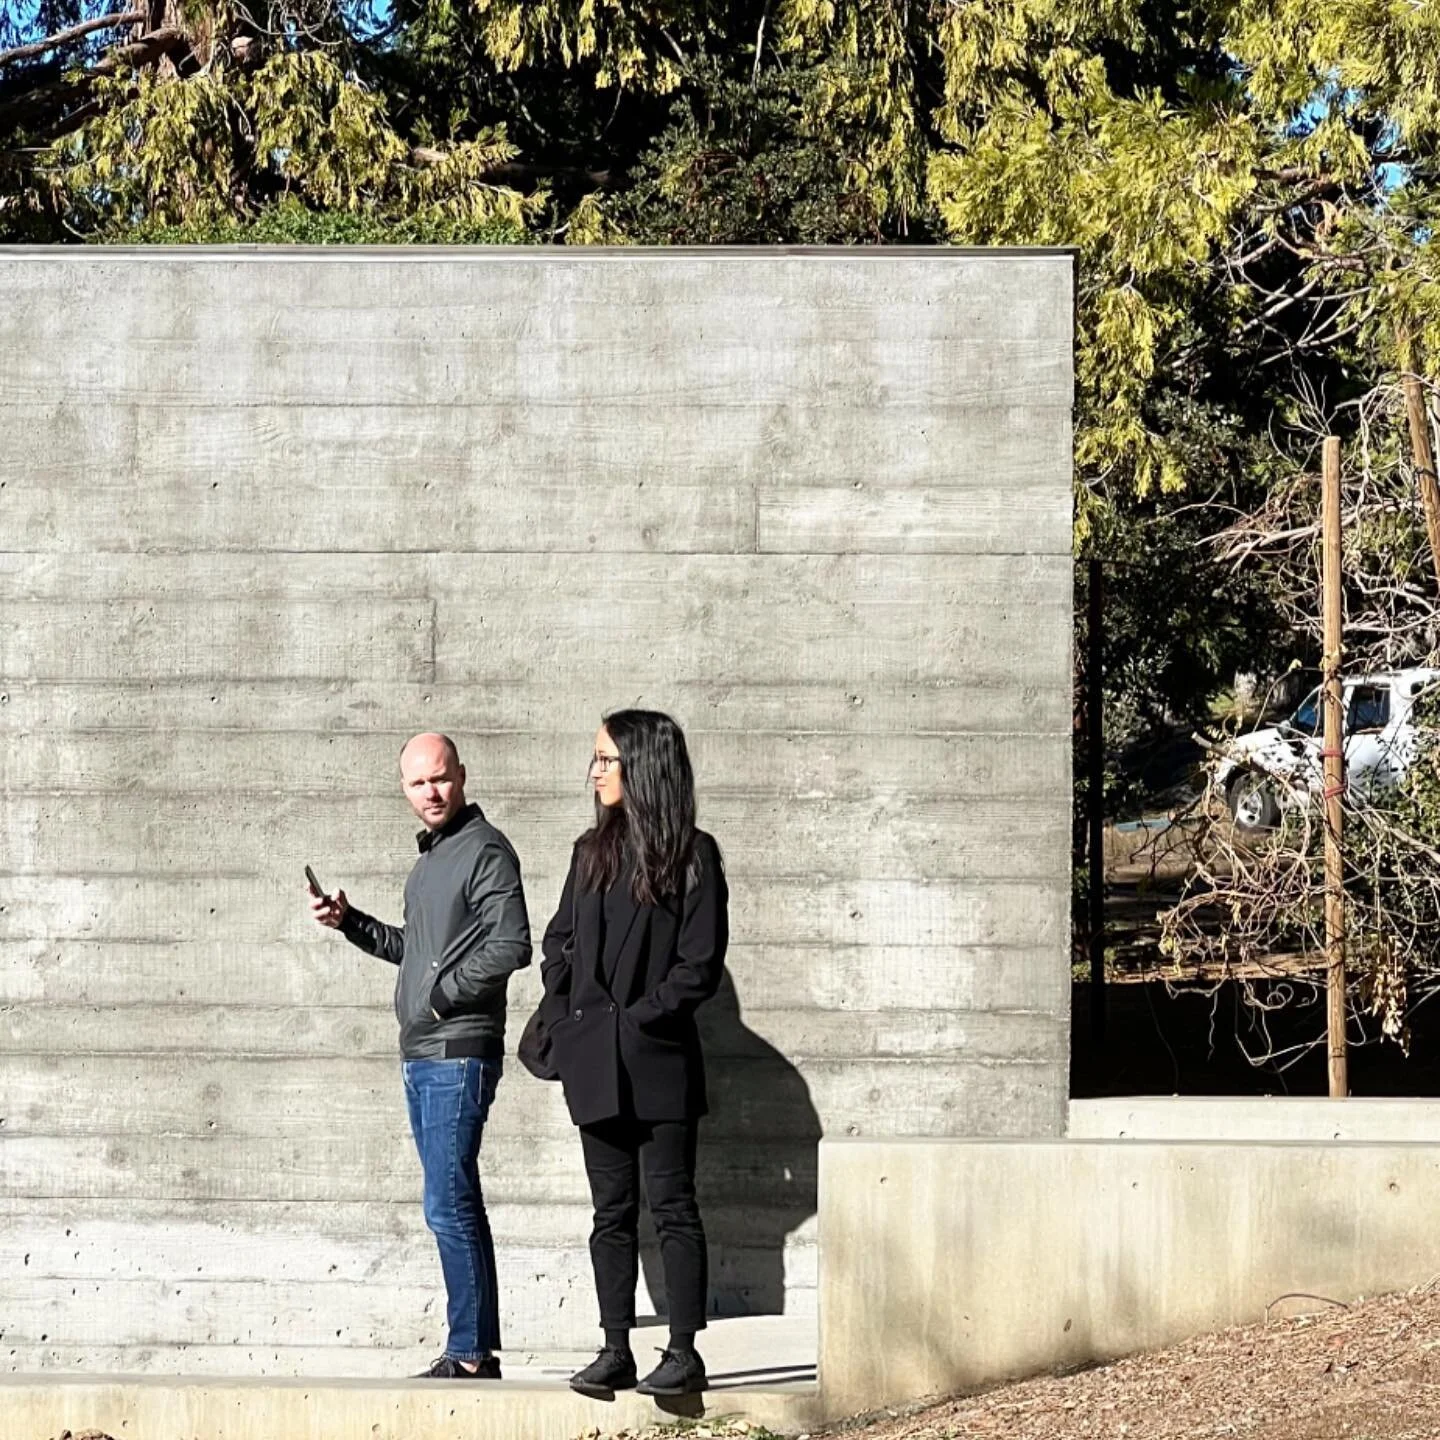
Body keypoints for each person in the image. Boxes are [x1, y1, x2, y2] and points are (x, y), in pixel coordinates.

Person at [308, 732, 531, 1380]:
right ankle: (473, 1350)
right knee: (453, 1197)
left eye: (439, 778)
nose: (430, 792)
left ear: (461, 774)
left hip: (456, 1051)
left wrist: (439, 1001)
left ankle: (468, 1353)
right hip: (425, 1054)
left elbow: (512, 943)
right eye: (417, 783)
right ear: (403, 789)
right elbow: (421, 948)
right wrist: (353, 923)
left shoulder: (485, 850)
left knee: (447, 1201)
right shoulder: (431, 861)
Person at [540, 709, 728, 1399]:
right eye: (593, 759)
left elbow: (699, 965)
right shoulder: (588, 854)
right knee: (610, 1211)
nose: (594, 772)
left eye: (605, 760)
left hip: (658, 1060)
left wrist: (641, 1020)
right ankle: (614, 1346)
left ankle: (683, 1352)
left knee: (673, 1205)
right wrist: (567, 1019)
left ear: (642, 767)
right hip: (592, 1060)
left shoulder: (693, 855)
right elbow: (557, 942)